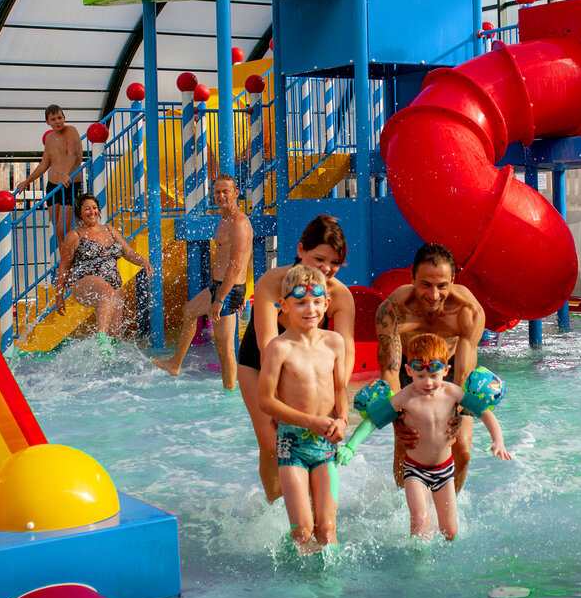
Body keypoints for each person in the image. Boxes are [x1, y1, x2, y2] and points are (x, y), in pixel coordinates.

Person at [343, 333, 510, 540]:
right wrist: (351, 446)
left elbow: (485, 412)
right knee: (420, 522)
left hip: (445, 470)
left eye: (434, 376)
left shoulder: (453, 393)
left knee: (450, 531)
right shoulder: (405, 397)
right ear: (409, 370)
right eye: (420, 376)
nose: (427, 382)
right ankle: (419, 566)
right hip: (415, 470)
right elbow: (373, 420)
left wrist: (498, 441)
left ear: (446, 370)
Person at [237, 215, 356, 503]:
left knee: (316, 443)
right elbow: (268, 348)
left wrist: (340, 408)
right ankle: (276, 508)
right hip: (260, 365)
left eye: (335, 263)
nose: (327, 269)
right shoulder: (272, 282)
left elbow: (346, 353)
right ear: (301, 250)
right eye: (319, 259)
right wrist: (279, 405)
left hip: (308, 369)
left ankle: (313, 509)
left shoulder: (339, 296)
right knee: (272, 446)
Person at [375, 243, 486, 492]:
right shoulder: (393, 310)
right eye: (425, 284)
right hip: (410, 368)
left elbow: (464, 373)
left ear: (453, 281)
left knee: (462, 449)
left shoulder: (467, 310)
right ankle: (406, 509)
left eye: (442, 286)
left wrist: (455, 414)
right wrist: (398, 421)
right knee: (407, 443)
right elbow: (390, 372)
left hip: (450, 366)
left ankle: (449, 504)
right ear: (412, 279)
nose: (434, 295)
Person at [257, 265, 348, 555]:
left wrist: (343, 420)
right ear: (283, 305)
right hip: (292, 443)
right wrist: (310, 421)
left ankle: (330, 591)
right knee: (303, 530)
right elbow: (266, 401)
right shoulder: (279, 347)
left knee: (327, 528)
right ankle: (296, 581)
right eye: (300, 303)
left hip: (325, 443)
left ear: (326, 304)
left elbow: (339, 390)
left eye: (317, 302)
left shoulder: (335, 343)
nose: (310, 309)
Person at [152, 175, 252, 388]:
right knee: (189, 311)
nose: (221, 196)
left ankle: (230, 394)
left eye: (226, 192)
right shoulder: (224, 219)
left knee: (225, 349)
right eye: (217, 192)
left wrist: (222, 299)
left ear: (236, 193)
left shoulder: (239, 223)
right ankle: (175, 363)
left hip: (227, 290)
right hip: (220, 287)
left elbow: (236, 265)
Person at [54, 192, 154, 342]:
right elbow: (63, 267)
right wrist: (59, 297)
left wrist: (143, 262)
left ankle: (104, 354)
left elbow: (127, 252)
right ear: (80, 213)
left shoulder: (110, 230)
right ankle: (100, 338)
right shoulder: (74, 236)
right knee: (106, 292)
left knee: (115, 336)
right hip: (84, 282)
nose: (91, 211)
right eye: (87, 209)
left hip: (114, 285)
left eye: (94, 208)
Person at [14, 105, 83, 251]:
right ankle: (64, 262)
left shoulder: (71, 131)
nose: (58, 121)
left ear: (64, 118)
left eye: (60, 118)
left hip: (69, 184)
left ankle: (70, 261)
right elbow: (44, 164)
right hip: (53, 185)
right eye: (53, 119)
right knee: (58, 231)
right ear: (47, 122)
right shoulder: (49, 138)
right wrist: (27, 181)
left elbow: (73, 155)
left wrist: (66, 173)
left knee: (63, 228)